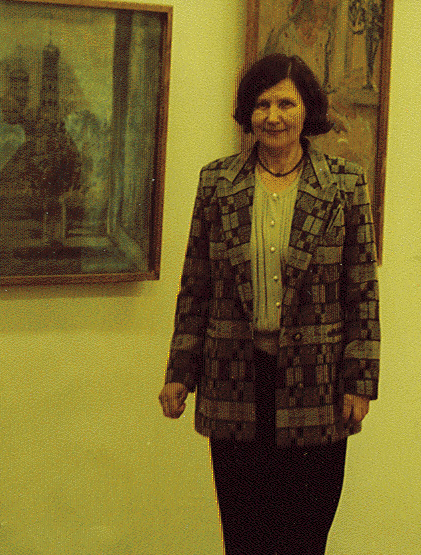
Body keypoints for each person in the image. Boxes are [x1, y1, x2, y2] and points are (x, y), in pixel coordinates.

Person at [159, 53, 380, 555]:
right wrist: (179, 373)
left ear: (308, 110)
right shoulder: (217, 182)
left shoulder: (345, 185)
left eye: (286, 103)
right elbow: (195, 285)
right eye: (261, 104)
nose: (273, 116)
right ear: (247, 112)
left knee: (305, 538)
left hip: (318, 385)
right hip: (235, 380)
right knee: (244, 538)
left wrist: (360, 382)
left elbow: (363, 291)